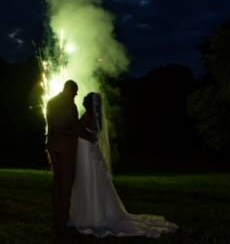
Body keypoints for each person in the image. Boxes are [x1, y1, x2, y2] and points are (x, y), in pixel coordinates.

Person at [69, 92, 178, 238]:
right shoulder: (91, 115)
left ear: (90, 103)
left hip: (88, 153)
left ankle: (93, 215)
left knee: (91, 181)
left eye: (85, 99)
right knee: (88, 181)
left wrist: (83, 133)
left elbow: (93, 135)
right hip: (86, 153)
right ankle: (90, 213)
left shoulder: (91, 117)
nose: (82, 99)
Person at [46, 80, 95, 236]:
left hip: (53, 145)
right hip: (66, 146)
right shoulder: (70, 105)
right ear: (70, 90)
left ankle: (56, 218)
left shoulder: (51, 102)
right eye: (75, 91)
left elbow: (51, 124)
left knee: (57, 182)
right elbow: (74, 126)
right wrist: (90, 137)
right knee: (66, 183)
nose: (76, 94)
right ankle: (63, 221)